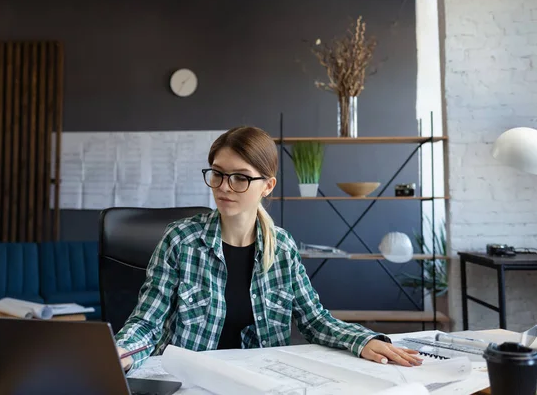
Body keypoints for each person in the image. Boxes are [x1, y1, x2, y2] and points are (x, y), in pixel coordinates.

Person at [115, 126, 423, 372]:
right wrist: (121, 353)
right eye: (218, 173)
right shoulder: (181, 240)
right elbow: (147, 325)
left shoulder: (283, 248)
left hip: (259, 379)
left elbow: (315, 321)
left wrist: (362, 340)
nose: (224, 186)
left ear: (268, 185)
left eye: (240, 178)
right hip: (190, 379)